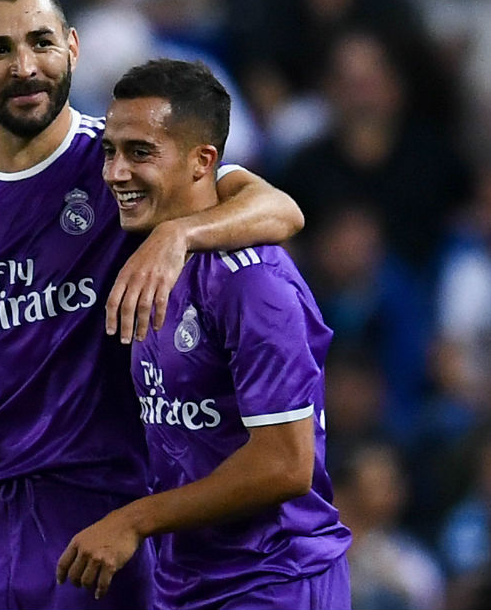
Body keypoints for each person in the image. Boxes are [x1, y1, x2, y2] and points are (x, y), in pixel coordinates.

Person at [0, 0, 304, 609]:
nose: (25, 67)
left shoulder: (122, 161)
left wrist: (179, 235)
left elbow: (279, 209)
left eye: (41, 42)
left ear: (73, 49)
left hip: (101, 507)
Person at [56, 59, 350, 608]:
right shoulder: (146, 246)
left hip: (273, 580)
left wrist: (134, 521)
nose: (116, 172)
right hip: (189, 581)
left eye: (140, 153)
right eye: (110, 152)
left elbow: (287, 463)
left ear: (202, 162)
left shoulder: (252, 283)